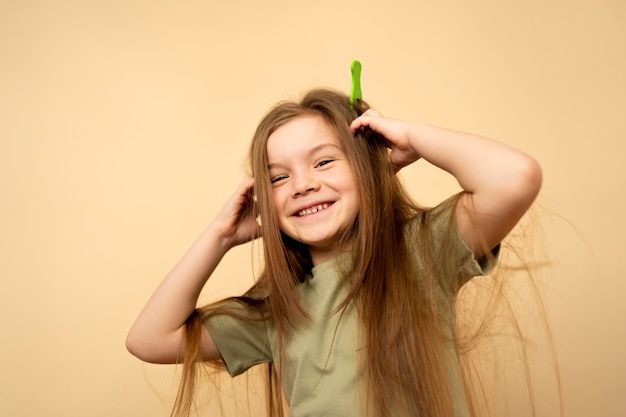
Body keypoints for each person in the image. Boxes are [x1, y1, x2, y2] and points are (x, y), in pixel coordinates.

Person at [126, 88, 543, 417]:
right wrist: (220, 236)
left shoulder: (422, 252)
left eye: (323, 162)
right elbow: (149, 339)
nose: (301, 185)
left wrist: (411, 137)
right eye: (278, 178)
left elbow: (515, 177)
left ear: (367, 166)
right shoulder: (277, 311)